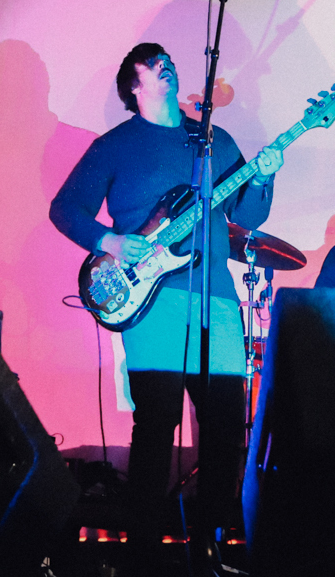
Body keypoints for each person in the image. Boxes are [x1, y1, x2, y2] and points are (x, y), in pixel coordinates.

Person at [49, 43, 283, 574]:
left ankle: (209, 546)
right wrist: (110, 242)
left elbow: (246, 209)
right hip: (149, 300)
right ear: (132, 85)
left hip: (217, 300)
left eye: (168, 59)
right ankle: (144, 555)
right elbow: (65, 208)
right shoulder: (115, 145)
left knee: (225, 426)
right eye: (152, 62)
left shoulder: (213, 140)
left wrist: (264, 174)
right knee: (156, 424)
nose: (166, 64)